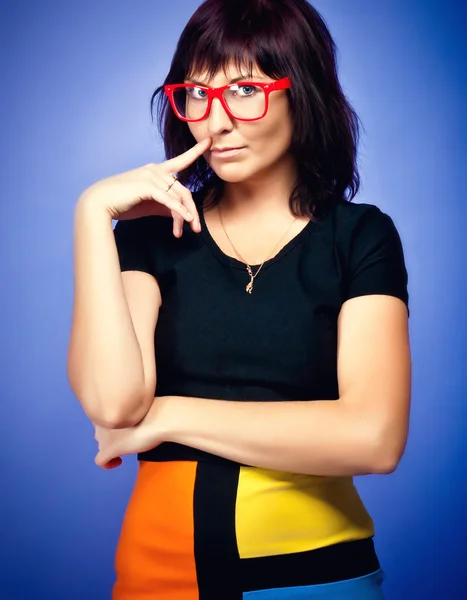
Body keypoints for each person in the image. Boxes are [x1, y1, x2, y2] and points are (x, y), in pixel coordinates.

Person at [67, 0, 411, 598]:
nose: (214, 120)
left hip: (319, 577)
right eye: (195, 94)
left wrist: (171, 415)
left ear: (301, 91)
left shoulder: (359, 236)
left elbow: (374, 439)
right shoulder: (151, 236)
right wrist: (92, 213)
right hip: (159, 574)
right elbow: (115, 408)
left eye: (245, 89)